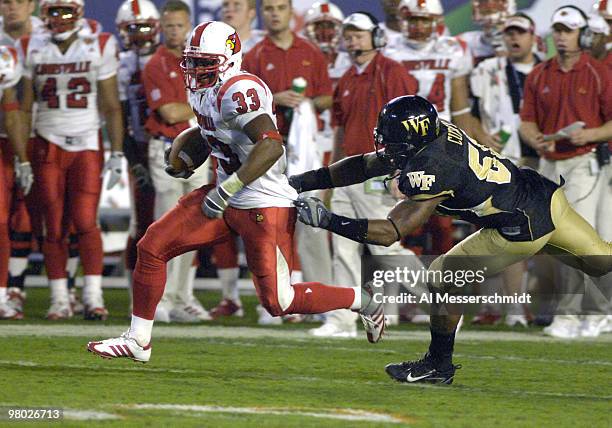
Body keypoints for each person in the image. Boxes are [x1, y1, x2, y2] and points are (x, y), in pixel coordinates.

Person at [86, 21, 385, 363]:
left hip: (262, 202)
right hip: (225, 196)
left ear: (229, 58)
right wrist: (184, 158)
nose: (196, 69)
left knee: (278, 302)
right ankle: (138, 339)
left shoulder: (241, 88)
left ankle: (363, 300)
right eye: (193, 61)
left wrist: (227, 188)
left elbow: (271, 145)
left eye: (205, 61)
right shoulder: (204, 88)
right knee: (152, 247)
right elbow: (208, 130)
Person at [291, 95, 612, 384]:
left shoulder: (431, 166)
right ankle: (438, 364)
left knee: (442, 279)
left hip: (518, 226)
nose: (386, 146)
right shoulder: (435, 134)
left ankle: (438, 364)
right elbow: (366, 165)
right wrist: (301, 182)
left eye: (393, 140)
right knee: (602, 262)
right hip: (544, 196)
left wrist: (329, 220)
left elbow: (392, 232)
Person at [311, 12, 419, 338]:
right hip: (349, 172)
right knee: (342, 247)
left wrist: (405, 170)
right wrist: (332, 175)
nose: (352, 39)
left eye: (359, 33)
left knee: (385, 247)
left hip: (381, 170)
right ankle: (341, 320)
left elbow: (412, 124)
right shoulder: (345, 77)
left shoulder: (392, 72)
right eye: (349, 33)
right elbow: (340, 129)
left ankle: (441, 300)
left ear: (376, 36)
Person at [18, 0, 124, 321]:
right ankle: (59, 298)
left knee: (85, 221)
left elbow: (110, 104)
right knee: (53, 225)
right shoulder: (29, 46)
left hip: (87, 143)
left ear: (78, 12)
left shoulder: (99, 43)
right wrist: (23, 159)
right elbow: (23, 108)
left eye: (66, 11)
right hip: (47, 142)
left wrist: (117, 151)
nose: (60, 18)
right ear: (44, 14)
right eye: (53, 11)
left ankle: (93, 296)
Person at [519, 5, 612, 338]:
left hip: (584, 162)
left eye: (568, 29)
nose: (560, 35)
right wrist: (533, 137)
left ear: (584, 35)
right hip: (550, 162)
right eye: (557, 28)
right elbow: (527, 120)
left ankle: (585, 312)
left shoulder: (600, 73)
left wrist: (590, 134)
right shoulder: (539, 74)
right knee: (561, 241)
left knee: (580, 240)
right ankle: (579, 312)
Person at [242, 0, 334, 324]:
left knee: (312, 226)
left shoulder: (310, 51)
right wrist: (275, 98)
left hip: (306, 152)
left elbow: (327, 96)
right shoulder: (254, 56)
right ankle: (274, 301)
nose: (275, 13)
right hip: (269, 154)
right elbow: (243, 106)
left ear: (290, 12)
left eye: (280, 7)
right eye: (268, 8)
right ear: (262, 13)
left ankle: (323, 304)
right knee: (269, 226)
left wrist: (307, 103)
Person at [142, 0, 214, 323]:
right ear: (161, 27)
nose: (174, 31)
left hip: (201, 147)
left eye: (179, 25)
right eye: (168, 25)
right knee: (166, 225)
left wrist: (199, 104)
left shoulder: (201, 60)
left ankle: (183, 295)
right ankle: (161, 297)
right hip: (167, 148)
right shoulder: (155, 64)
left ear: (189, 26)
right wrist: (201, 103)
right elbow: (169, 113)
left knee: (194, 227)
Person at [468, 13, 541, 327]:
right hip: (503, 162)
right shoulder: (489, 70)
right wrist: (481, 137)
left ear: (533, 37)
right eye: (509, 33)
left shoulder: (546, 70)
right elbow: (467, 115)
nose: (514, 39)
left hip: (542, 160)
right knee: (504, 234)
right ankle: (504, 307)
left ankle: (531, 306)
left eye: (520, 33)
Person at [116, 0, 160, 313]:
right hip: (141, 148)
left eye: (145, 27)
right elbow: (119, 118)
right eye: (133, 29)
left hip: (169, 143)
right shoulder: (120, 65)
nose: (139, 35)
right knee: (144, 224)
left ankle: (176, 294)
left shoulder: (169, 60)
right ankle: (139, 294)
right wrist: (132, 159)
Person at [0, 45, 31, 319]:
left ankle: (1, 295)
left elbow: (11, 114)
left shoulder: (4, 58)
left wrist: (22, 159)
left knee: (0, 224)